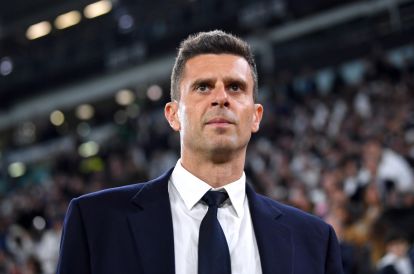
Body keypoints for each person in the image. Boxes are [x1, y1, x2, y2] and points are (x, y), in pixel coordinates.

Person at [57, 30, 344, 274]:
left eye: (235, 87)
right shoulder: (96, 222)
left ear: (256, 116)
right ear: (173, 115)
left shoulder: (314, 241)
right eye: (203, 87)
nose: (221, 98)